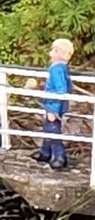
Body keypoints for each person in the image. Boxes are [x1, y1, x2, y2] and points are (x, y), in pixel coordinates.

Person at [32, 37, 74, 171]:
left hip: (53, 104)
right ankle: (46, 152)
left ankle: (59, 156)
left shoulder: (57, 69)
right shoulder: (59, 67)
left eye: (53, 50)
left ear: (58, 52)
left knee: (52, 128)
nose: (50, 53)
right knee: (48, 127)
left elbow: (61, 88)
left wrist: (53, 108)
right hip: (52, 102)